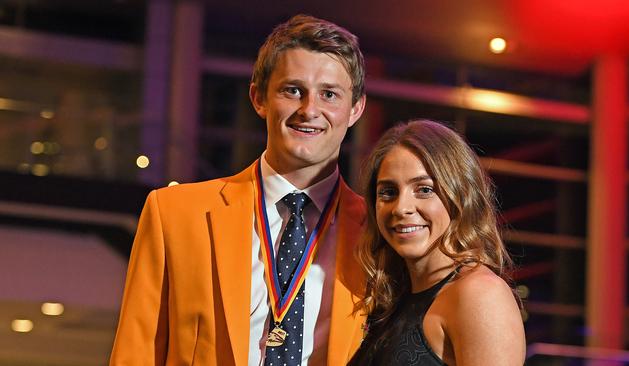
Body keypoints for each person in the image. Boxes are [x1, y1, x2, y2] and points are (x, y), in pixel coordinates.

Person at [110, 14, 367, 366]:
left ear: (355, 109)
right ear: (259, 98)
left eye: (329, 94)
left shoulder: (378, 234)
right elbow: (134, 356)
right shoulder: (174, 214)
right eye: (293, 90)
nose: (310, 110)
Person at [348, 120, 526, 365]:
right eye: (388, 192)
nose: (401, 208)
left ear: (460, 195)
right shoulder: (393, 299)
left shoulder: (479, 294)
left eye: (424, 189)